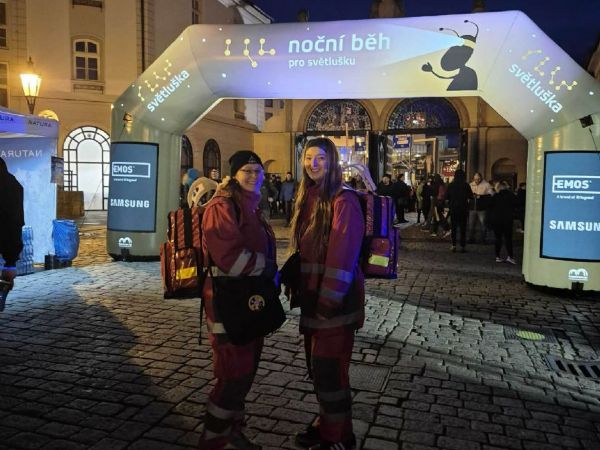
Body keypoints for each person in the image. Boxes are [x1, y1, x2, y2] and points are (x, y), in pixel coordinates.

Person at [287, 137, 364, 450]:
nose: (313, 163)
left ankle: (339, 438)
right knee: (319, 371)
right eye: (308, 157)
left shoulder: (343, 201)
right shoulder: (309, 196)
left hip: (334, 305)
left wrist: (327, 302)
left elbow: (341, 258)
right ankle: (327, 426)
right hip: (314, 300)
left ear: (332, 161)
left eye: (320, 157)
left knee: (330, 373)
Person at [199, 150, 277, 450]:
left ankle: (232, 433)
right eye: (247, 170)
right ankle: (214, 439)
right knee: (233, 375)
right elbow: (229, 257)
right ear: (233, 175)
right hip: (226, 303)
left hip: (248, 301)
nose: (253, 176)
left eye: (258, 171)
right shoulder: (222, 206)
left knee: (245, 372)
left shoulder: (250, 205)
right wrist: (266, 267)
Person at [0, 157, 24, 293]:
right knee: (6, 280)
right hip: (10, 244)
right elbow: (17, 220)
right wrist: (11, 262)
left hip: (8, 240)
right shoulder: (14, 184)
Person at [489, 180, 517, 264]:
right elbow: (516, 205)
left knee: (498, 238)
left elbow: (490, 207)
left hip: (497, 220)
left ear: (498, 187)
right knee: (508, 239)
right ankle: (510, 256)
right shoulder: (511, 195)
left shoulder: (495, 196)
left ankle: (497, 256)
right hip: (508, 220)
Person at [445, 169, 473, 252]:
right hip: (463, 209)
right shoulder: (466, 185)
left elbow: (447, 197)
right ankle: (462, 246)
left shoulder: (451, 185)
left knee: (453, 228)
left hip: (453, 209)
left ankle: (454, 245)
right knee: (463, 228)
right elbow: (470, 196)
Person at [468, 172, 494, 243]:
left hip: (482, 208)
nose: (477, 180)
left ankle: (483, 239)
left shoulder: (486, 185)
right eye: (475, 179)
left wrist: (481, 197)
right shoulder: (471, 185)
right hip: (472, 207)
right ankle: (471, 238)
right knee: (471, 224)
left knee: (483, 224)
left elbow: (491, 194)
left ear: (481, 178)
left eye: (478, 179)